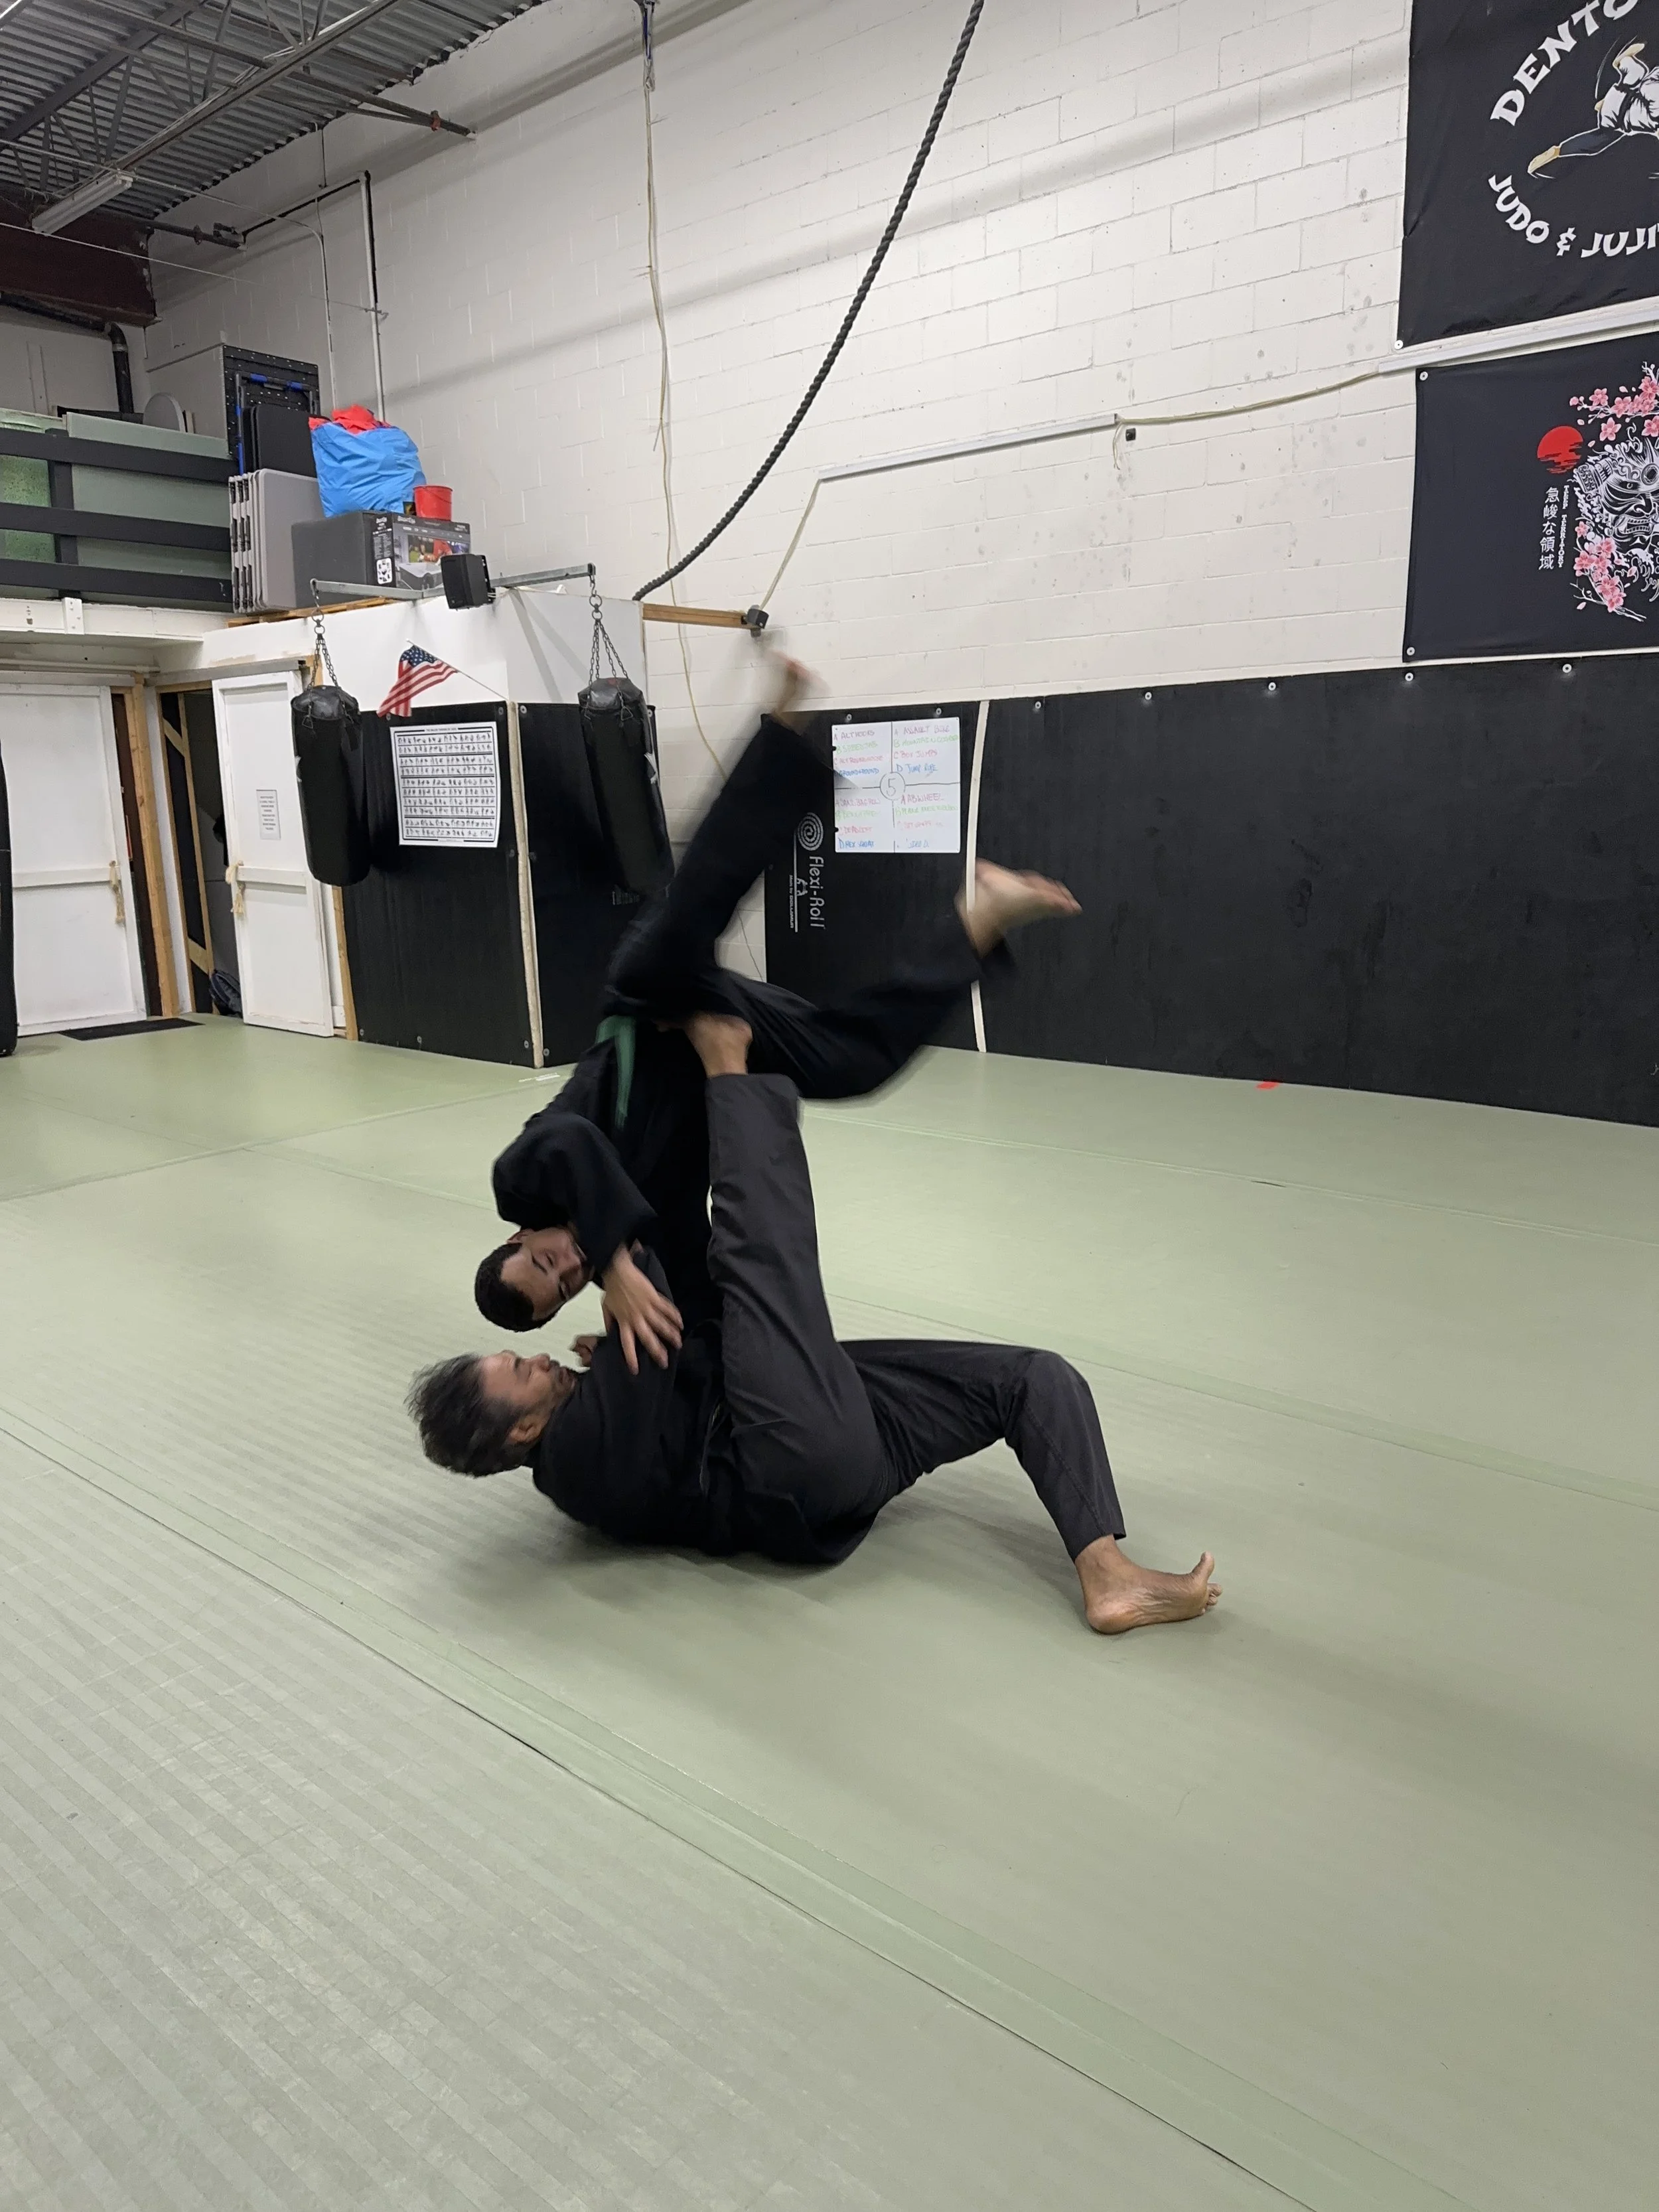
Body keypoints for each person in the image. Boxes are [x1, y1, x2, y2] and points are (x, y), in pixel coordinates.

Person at [409, 1013, 1221, 1636]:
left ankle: (1106, 1569)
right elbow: (659, 1284)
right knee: (759, 1264)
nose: (540, 1362)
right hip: (784, 1456)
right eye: (523, 1373)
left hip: (840, 1467)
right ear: (518, 1436)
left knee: (1032, 1378)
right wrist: (617, 1264)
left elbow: (656, 1387)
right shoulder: (576, 1461)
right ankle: (730, 1063)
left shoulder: (589, 1436)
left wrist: (618, 1349)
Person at [476, 654, 1078, 1369]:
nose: (568, 1267)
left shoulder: (522, 1183)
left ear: (518, 1237)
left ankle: (783, 726)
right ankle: (982, 918)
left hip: (646, 1003)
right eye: (566, 1285)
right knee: (853, 1064)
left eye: (544, 1263)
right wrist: (621, 1358)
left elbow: (573, 1143)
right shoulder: (647, 1242)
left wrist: (613, 1269)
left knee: (694, 908)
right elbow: (698, 1305)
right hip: (722, 1039)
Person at [1530, 40, 1659, 175]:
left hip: (1622, 95)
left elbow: (1647, 85)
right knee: (1603, 138)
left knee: (1639, 72)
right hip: (1618, 115)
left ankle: (1623, 63)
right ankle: (1558, 151)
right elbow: (1647, 89)